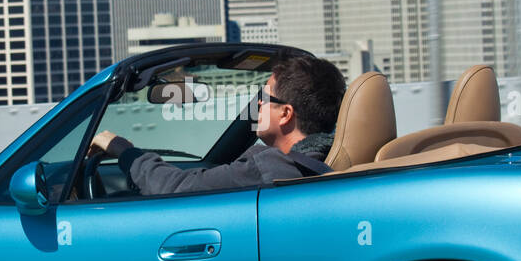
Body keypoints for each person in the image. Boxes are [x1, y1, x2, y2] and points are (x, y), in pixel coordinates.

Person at [89, 55, 348, 195]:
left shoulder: (270, 168)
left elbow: (174, 189)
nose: (257, 104)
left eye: (265, 97)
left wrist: (123, 150)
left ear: (285, 114)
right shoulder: (331, 161)